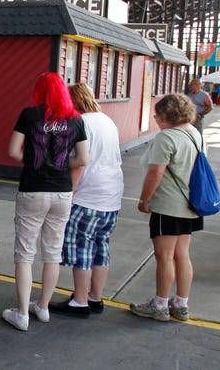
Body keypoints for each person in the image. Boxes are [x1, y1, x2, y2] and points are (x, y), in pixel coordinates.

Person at [3, 72, 89, 332]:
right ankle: (42, 307)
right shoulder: (76, 120)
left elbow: (13, 151)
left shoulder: (29, 115)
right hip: (62, 192)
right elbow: (83, 158)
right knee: (53, 253)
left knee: (25, 253)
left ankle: (21, 314)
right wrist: (59, 166)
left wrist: (34, 163)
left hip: (33, 189)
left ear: (39, 91)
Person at [49, 83, 124, 318]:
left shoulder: (80, 124)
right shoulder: (106, 120)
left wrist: (67, 196)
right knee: (101, 247)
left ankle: (79, 301)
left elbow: (80, 163)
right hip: (112, 194)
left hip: (88, 196)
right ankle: (95, 297)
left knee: (81, 248)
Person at [130, 93, 202, 323]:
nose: (155, 118)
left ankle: (160, 304)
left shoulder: (166, 138)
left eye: (158, 114)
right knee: (182, 254)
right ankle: (181, 303)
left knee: (164, 256)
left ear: (168, 114)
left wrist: (144, 199)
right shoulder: (195, 133)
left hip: (169, 204)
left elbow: (156, 172)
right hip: (190, 203)